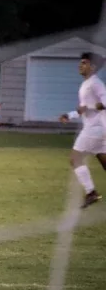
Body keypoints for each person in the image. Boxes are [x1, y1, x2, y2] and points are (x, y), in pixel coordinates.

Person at [59, 51, 106, 207]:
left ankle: (91, 193)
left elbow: (104, 103)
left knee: (75, 158)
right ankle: (91, 193)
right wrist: (69, 115)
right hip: (99, 129)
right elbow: (83, 109)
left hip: (94, 129)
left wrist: (91, 106)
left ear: (93, 67)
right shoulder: (85, 85)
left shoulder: (95, 83)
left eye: (84, 63)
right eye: (81, 62)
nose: (80, 65)